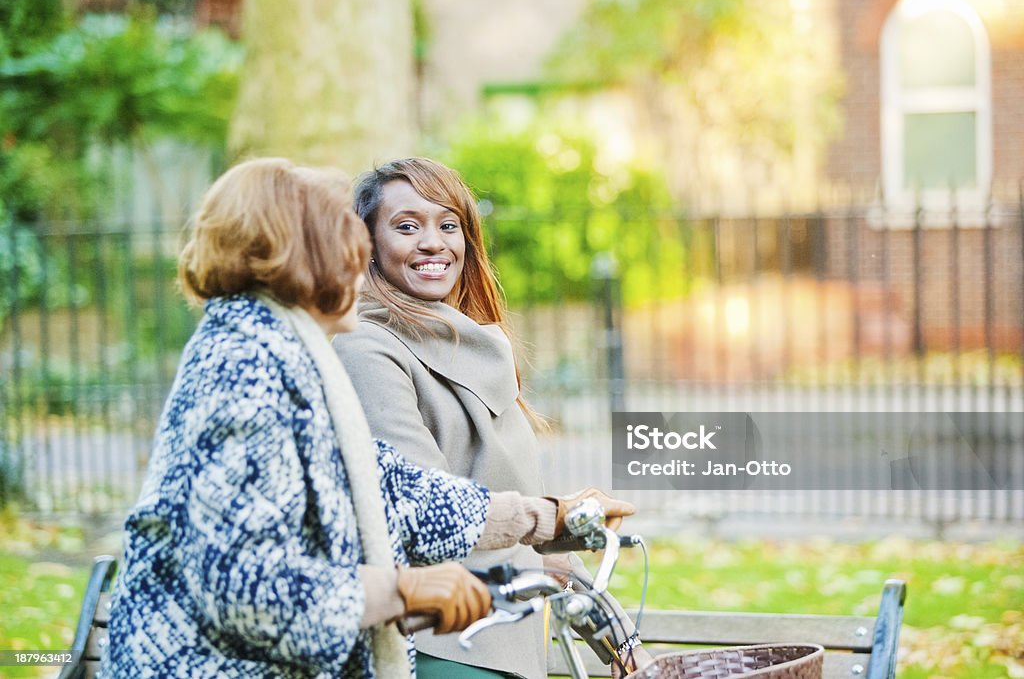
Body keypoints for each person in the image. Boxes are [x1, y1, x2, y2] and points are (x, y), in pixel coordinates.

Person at [99, 157, 635, 678]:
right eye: (351, 245)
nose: (365, 267)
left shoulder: (286, 356)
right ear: (302, 257)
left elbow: (395, 491)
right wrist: (400, 591)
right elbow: (245, 587)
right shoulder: (246, 366)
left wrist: (549, 516)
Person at [333, 157, 651, 678]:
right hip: (442, 646)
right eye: (407, 226)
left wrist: (621, 640)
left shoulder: (476, 342)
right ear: (367, 245)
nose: (433, 242)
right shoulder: (367, 350)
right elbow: (428, 510)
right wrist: (554, 517)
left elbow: (521, 536)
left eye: (449, 225)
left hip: (510, 639)